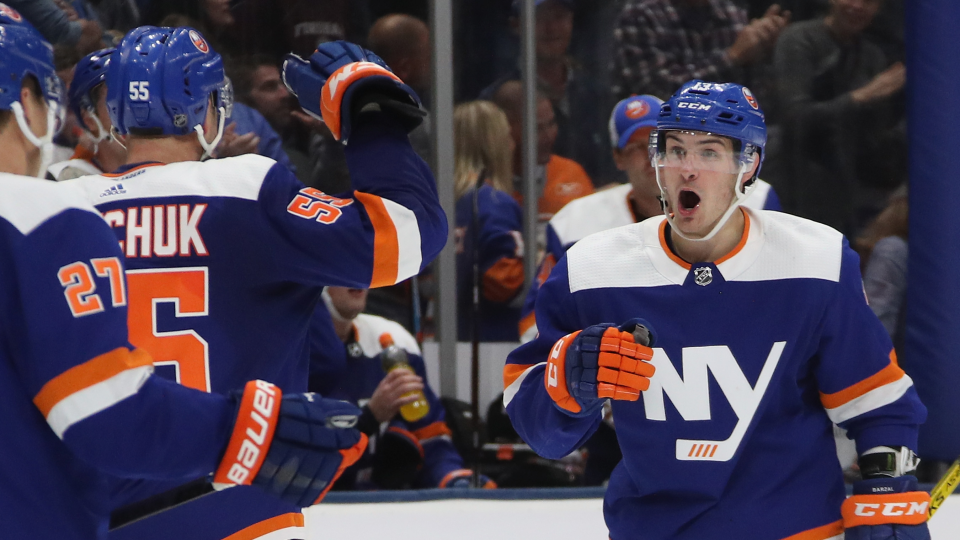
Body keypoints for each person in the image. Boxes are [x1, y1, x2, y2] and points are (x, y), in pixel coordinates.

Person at [63, 29, 445, 540]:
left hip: (94, 514)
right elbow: (407, 234)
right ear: (207, 110)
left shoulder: (61, 208)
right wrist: (370, 112)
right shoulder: (245, 186)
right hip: (237, 506)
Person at [504, 80, 929, 539]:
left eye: (709, 152)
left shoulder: (815, 259)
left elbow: (877, 403)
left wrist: (888, 491)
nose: (688, 169)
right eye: (675, 150)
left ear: (748, 166)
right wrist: (567, 378)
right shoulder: (591, 268)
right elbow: (540, 432)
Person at [0, 11, 366, 539]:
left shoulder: (68, 199)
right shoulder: (39, 215)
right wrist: (253, 432)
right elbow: (105, 413)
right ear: (30, 99)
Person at [518, 94, 781, 342]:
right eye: (636, 147)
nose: (650, 157)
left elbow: (780, 291)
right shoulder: (574, 225)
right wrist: (585, 352)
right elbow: (534, 327)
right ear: (617, 159)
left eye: (661, 145)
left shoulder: (753, 199)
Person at [310, 287, 495, 489]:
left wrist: (454, 480)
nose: (358, 277)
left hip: (385, 506)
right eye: (342, 266)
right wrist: (370, 418)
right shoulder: (288, 352)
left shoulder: (394, 342)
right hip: (316, 510)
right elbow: (296, 460)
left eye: (363, 264)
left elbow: (429, 439)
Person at [775, 0, 905, 237]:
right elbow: (795, 118)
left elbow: (874, 139)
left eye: (868, 2)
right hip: (792, 180)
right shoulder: (799, 39)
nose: (857, 6)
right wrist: (862, 96)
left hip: (846, 190)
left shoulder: (872, 56)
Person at [612, 0, 790, 100]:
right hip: (662, 139)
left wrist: (768, 51)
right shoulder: (640, 15)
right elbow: (658, 94)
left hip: (728, 135)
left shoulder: (732, 13)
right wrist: (732, 58)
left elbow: (758, 100)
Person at [453, 101, 525, 342]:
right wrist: (536, 263)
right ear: (494, 146)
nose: (513, 145)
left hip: (442, 338)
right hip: (491, 343)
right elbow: (502, 282)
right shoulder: (494, 202)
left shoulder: (439, 201)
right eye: (507, 137)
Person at [491, 80, 594, 225]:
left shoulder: (571, 174)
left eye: (551, 123)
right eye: (537, 129)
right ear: (505, 129)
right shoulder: (485, 187)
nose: (549, 136)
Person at [49, 47, 126, 180]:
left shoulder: (166, 173)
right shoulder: (63, 181)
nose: (134, 113)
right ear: (90, 120)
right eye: (119, 103)